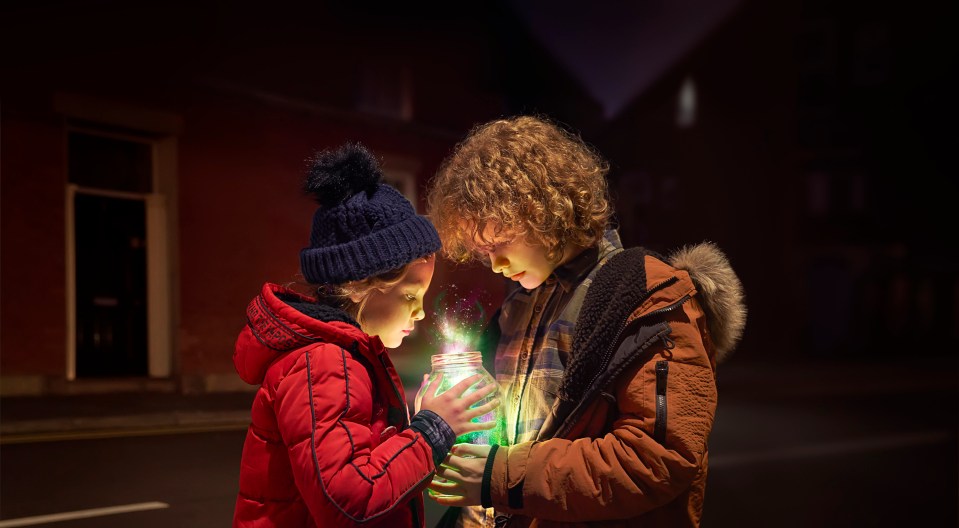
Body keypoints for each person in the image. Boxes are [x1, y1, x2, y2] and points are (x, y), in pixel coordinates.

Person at [425, 116, 747, 528]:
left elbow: (658, 457)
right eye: (482, 252)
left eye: (499, 244)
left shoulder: (650, 294)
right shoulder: (520, 303)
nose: (495, 265)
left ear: (541, 211)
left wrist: (500, 476)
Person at [232, 143, 499, 527]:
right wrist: (432, 429)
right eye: (410, 295)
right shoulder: (325, 362)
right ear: (361, 285)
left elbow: (359, 460)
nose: (420, 312)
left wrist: (413, 424)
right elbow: (350, 499)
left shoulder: (338, 355)